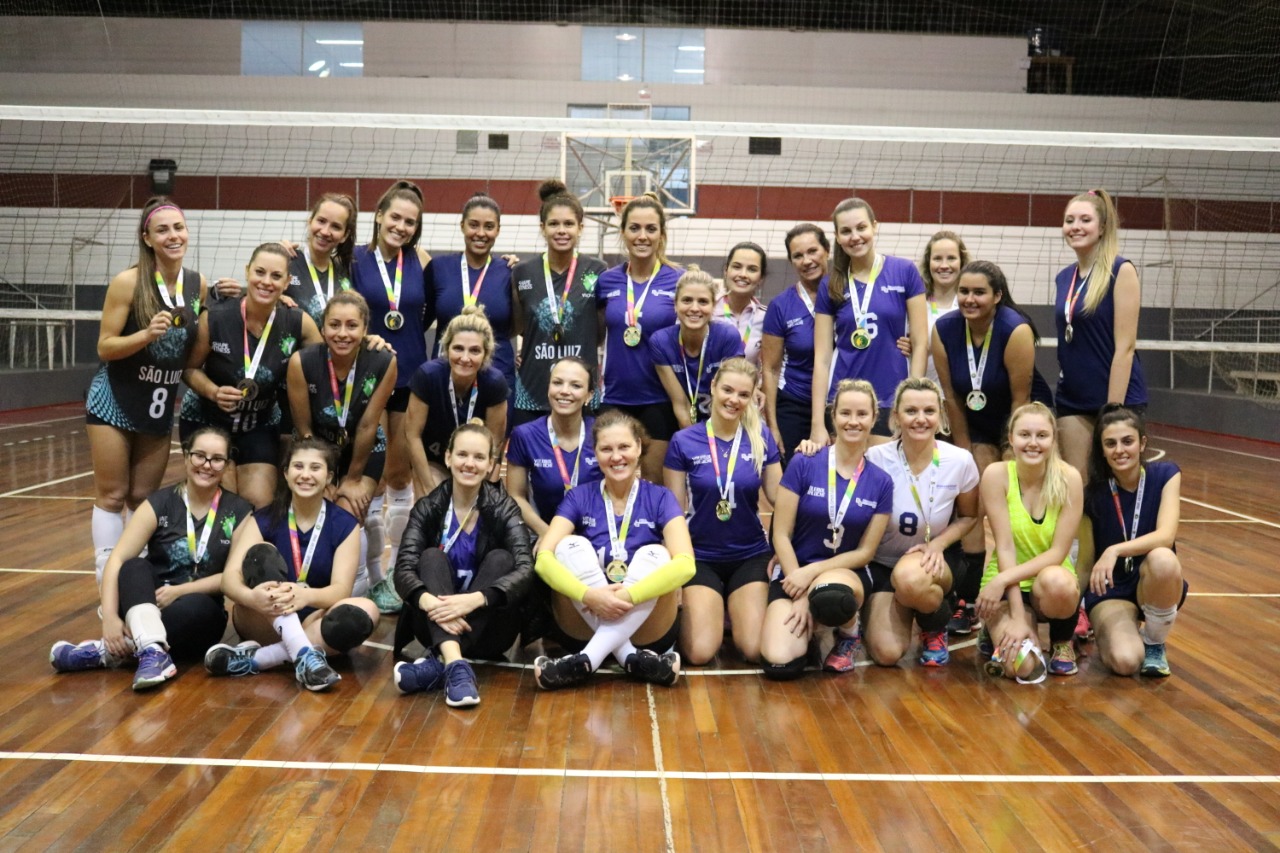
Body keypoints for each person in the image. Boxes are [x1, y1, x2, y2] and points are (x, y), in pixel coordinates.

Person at [50, 427, 255, 690]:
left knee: (199, 608)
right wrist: (111, 617)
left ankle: (109, 652)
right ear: (185, 457)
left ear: (226, 465)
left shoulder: (238, 510)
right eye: (199, 456)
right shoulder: (159, 503)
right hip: (147, 602)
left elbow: (231, 576)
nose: (207, 465)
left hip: (197, 611)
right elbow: (116, 560)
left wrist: (180, 590)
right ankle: (152, 651)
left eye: (216, 459)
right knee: (134, 566)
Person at [86, 197, 209, 581]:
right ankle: (107, 580)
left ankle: (135, 579)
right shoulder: (128, 282)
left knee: (143, 498)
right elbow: (104, 346)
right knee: (112, 494)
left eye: (178, 228)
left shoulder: (196, 284)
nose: (173, 236)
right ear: (148, 238)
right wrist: (144, 334)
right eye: (163, 230)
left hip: (158, 404)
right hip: (115, 400)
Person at [531, 410, 695, 689]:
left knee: (656, 554)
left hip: (648, 627)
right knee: (570, 545)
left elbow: (686, 565)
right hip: (584, 620)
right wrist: (590, 596)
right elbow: (543, 559)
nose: (616, 457)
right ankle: (629, 657)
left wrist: (627, 596)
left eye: (624, 447)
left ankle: (587, 660)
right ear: (595, 454)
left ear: (639, 447)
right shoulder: (579, 496)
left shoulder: (660, 497)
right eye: (606, 449)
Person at [932, 259, 1054, 633]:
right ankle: (967, 600)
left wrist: (1011, 455)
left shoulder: (1015, 330)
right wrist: (965, 454)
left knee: (1012, 502)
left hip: (1019, 423)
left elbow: (1021, 398)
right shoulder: (944, 328)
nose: (969, 299)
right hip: (973, 421)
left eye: (979, 292)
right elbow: (951, 396)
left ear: (997, 296)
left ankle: (1034, 594)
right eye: (964, 292)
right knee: (972, 500)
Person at [206, 438, 379, 692]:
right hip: (263, 618)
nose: (305, 475)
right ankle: (305, 655)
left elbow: (340, 590)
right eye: (298, 466)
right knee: (261, 554)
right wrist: (251, 596)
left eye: (315, 468)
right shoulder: (263, 519)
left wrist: (305, 595)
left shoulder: (345, 524)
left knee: (368, 610)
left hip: (313, 620)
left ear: (329, 476)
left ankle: (258, 660)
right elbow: (229, 579)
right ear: (285, 474)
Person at [390, 423, 535, 707]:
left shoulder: (504, 508)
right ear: (448, 458)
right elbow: (403, 568)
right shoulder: (428, 507)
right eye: (462, 455)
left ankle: (436, 666)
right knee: (430, 556)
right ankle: (456, 665)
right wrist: (431, 602)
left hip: (492, 629)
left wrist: (474, 600)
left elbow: (525, 568)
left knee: (502, 559)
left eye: (479, 457)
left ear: (492, 464)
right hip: (434, 622)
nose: (470, 463)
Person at [758, 379, 894, 680]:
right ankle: (814, 629)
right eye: (845, 413)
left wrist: (810, 579)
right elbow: (780, 533)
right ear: (833, 417)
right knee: (779, 663)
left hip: (846, 573)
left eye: (862, 414)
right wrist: (800, 587)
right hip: (795, 570)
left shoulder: (882, 481)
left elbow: (865, 552)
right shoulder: (804, 463)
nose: (853, 421)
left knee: (830, 595)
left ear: (874, 418)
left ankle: (848, 633)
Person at [181, 242, 319, 509]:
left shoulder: (297, 321)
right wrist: (213, 391)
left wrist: (369, 343)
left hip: (258, 423)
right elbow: (189, 369)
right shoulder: (217, 317)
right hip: (208, 419)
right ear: (247, 272)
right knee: (222, 499)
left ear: (287, 281)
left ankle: (252, 550)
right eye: (260, 272)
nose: (266, 282)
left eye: (276, 276)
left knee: (260, 502)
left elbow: (329, 359)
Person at [663, 358, 782, 664]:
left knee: (755, 649)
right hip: (700, 556)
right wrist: (675, 569)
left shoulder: (761, 437)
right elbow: (673, 511)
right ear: (713, 388)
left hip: (749, 554)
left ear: (753, 397)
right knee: (700, 652)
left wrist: (812, 463)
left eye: (743, 394)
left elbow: (779, 498)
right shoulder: (683, 441)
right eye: (727, 390)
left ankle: (731, 608)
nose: (734, 400)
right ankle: (713, 610)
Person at [350, 181, 433, 604]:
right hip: (364, 377)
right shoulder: (354, 259)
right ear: (379, 215)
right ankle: (371, 573)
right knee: (370, 479)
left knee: (400, 477)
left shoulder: (421, 260)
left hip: (409, 375)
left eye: (410, 221)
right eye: (395, 217)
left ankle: (400, 569)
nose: (401, 226)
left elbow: (439, 303)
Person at [287, 291, 397, 598]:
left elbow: (367, 424)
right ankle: (318, 585)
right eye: (334, 325)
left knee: (347, 514)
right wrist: (325, 478)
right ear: (322, 328)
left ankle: (355, 595)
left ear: (365, 329)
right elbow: (305, 430)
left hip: (364, 451)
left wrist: (350, 479)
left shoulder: (383, 362)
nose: (343, 333)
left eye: (352, 326)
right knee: (313, 512)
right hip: (317, 451)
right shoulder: (302, 362)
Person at [863, 378, 980, 668]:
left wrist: (938, 545)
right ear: (896, 417)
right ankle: (905, 607)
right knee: (887, 653)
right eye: (911, 411)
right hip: (883, 561)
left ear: (940, 416)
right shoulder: (875, 458)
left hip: (935, 559)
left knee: (910, 579)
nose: (920, 419)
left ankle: (934, 625)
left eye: (929, 411)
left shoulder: (960, 460)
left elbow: (969, 516)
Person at [976, 403, 1084, 682]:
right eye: (1024, 434)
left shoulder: (1069, 478)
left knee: (1057, 582)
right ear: (1011, 438)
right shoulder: (996, 475)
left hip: (1049, 583)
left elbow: (1058, 552)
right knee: (1023, 668)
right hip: (1008, 584)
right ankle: (997, 630)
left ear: (1053, 439)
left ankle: (1062, 640)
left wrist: (1002, 580)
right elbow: (1005, 548)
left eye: (1042, 435)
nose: (1033, 443)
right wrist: (1017, 617)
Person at [1078, 405, 1186, 677]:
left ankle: (1154, 642)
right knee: (1125, 662)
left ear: (1142, 443)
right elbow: (1085, 564)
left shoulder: (1166, 475)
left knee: (1163, 558)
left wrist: (1115, 549)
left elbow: (1166, 536)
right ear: (1101, 450)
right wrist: (1068, 619)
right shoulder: (1091, 496)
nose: (1120, 450)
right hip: (1111, 590)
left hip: (1152, 582)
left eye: (1128, 441)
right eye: (1110, 443)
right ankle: (1122, 635)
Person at [811, 198, 928, 446]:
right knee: (845, 481)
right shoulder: (831, 283)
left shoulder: (904, 271)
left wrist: (910, 403)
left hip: (891, 399)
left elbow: (920, 344)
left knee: (885, 481)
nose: (855, 236)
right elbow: (822, 358)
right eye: (846, 231)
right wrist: (817, 424)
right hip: (842, 401)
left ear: (875, 226)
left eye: (861, 227)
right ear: (838, 237)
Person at [1055, 188, 1148, 480]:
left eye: (1085, 219)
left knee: (1116, 484)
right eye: (1070, 220)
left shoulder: (1121, 271)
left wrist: (1113, 410)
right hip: (1074, 398)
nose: (1076, 227)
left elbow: (1125, 348)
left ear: (1103, 227)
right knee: (1077, 484)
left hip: (1116, 398)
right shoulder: (1063, 277)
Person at [597, 193, 683, 482]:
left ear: (662, 234)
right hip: (614, 397)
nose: (642, 236)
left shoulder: (678, 280)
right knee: (612, 484)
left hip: (660, 400)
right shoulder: (606, 281)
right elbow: (592, 331)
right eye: (634, 228)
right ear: (623, 232)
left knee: (654, 486)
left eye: (650, 229)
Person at [511, 180, 608, 428]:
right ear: (543, 228)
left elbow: (599, 332)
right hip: (533, 391)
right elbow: (518, 328)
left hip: (581, 392)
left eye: (568, 224)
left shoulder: (598, 271)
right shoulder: (522, 272)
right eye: (553, 224)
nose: (561, 230)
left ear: (580, 227)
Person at [425, 192, 517, 410]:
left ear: (498, 230)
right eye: (474, 225)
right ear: (462, 226)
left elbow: (522, 325)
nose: (481, 233)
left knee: (493, 442)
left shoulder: (510, 272)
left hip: (497, 376)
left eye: (489, 226)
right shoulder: (439, 268)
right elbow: (420, 322)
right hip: (445, 374)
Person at [406, 306, 508, 496]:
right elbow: (413, 436)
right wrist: (429, 490)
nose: (465, 358)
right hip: (435, 460)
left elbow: (495, 443)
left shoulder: (495, 383)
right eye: (458, 348)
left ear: (485, 354)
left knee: (480, 507)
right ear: (446, 348)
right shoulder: (427, 376)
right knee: (434, 506)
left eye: (475, 351)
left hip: (475, 463)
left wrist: (480, 489)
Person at [506, 357, 602, 539]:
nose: (564, 391)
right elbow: (516, 496)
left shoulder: (602, 434)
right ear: (548, 388)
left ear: (589, 395)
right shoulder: (524, 435)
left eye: (576, 385)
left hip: (596, 535)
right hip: (542, 534)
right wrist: (549, 535)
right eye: (557, 383)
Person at [762, 223, 829, 464]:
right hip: (795, 405)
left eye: (812, 251)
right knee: (792, 482)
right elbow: (769, 369)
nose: (807, 260)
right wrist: (773, 427)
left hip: (842, 405)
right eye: (798, 256)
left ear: (827, 251)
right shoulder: (781, 306)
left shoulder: (849, 294)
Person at [651, 266, 745, 430]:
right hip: (686, 427)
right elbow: (680, 405)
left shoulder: (727, 336)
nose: (694, 308)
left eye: (703, 301)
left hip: (727, 422)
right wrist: (697, 444)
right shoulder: (660, 342)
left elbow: (733, 398)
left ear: (713, 306)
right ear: (675, 304)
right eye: (687, 300)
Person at [903, 230, 969, 388]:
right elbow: (900, 341)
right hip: (923, 391)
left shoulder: (970, 304)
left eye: (951, 258)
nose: (944, 265)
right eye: (937, 258)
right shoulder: (914, 302)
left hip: (960, 393)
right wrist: (905, 345)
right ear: (928, 263)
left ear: (962, 262)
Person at [284, 193, 358, 327]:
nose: (325, 231)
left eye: (336, 226)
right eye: (321, 221)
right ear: (310, 221)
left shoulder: (347, 271)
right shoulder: (286, 262)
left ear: (344, 235)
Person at [714, 242, 768, 367]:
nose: (743, 274)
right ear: (726, 270)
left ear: (761, 278)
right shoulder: (706, 311)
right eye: (737, 267)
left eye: (752, 269)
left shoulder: (767, 318)